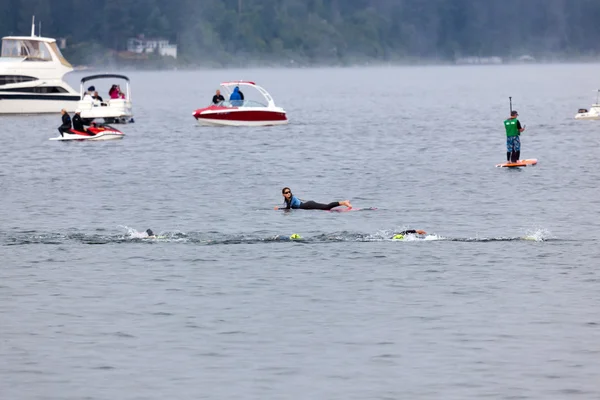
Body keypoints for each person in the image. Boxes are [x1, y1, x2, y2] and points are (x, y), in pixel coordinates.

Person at [274, 187, 352, 210]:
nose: (288, 193)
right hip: (307, 205)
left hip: (308, 205)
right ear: (283, 194)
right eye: (286, 193)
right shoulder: (288, 200)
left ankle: (343, 202)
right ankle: (343, 202)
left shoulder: (292, 198)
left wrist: (279, 209)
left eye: (289, 192)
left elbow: (288, 208)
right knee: (325, 207)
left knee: (326, 207)